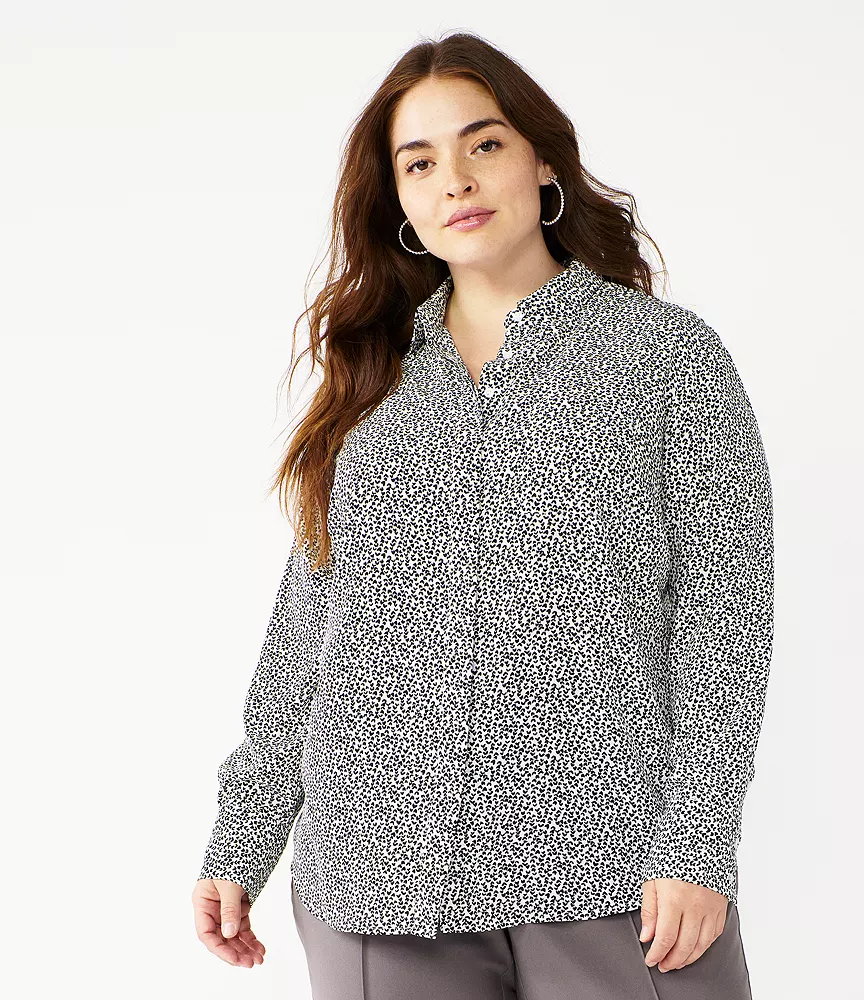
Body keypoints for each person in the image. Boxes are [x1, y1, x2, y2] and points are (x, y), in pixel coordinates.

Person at [192, 30, 774, 1000]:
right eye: (419, 163)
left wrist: (698, 837)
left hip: (614, 874)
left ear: (542, 160)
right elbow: (308, 632)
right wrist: (242, 834)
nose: (455, 179)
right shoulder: (369, 385)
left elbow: (727, 614)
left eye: (484, 143)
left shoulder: (668, 360)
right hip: (378, 883)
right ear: (400, 202)